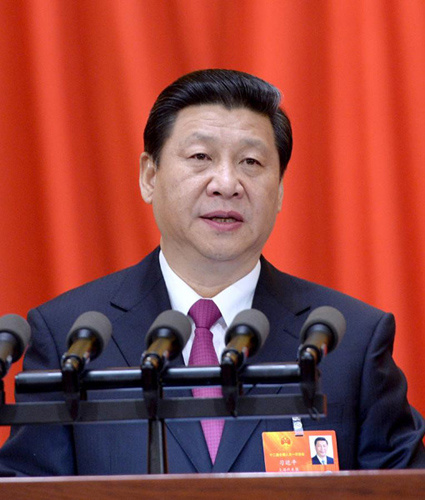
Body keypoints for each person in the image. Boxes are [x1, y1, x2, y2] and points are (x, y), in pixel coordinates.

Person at [0, 69, 424, 475]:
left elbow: (404, 486)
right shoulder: (67, 337)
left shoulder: (350, 342)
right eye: (201, 157)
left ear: (279, 191)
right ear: (149, 175)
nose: (226, 183)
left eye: (251, 163)